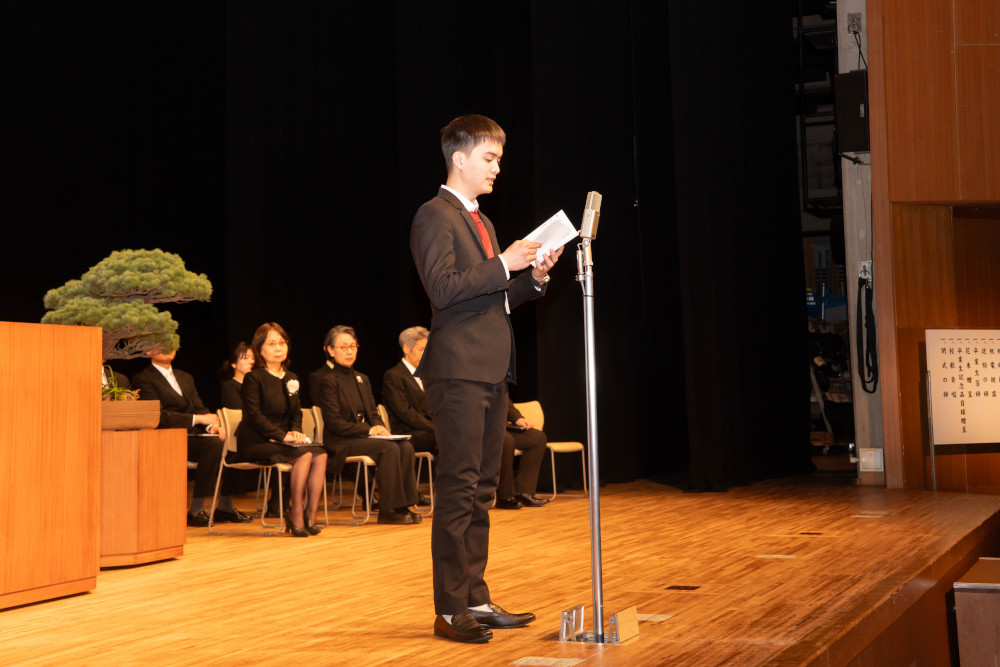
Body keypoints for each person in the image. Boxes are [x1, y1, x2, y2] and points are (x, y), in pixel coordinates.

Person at [410, 114, 563, 643]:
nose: (498, 167)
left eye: (499, 158)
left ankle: (475, 597)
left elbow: (492, 300)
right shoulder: (433, 215)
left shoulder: (484, 222)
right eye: (489, 157)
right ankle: (451, 608)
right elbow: (443, 289)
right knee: (458, 488)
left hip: (491, 369)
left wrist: (531, 277)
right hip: (457, 371)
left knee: (481, 490)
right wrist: (505, 263)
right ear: (459, 158)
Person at [132, 347, 252, 527]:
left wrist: (213, 426)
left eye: (170, 344)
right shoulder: (142, 378)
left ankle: (225, 506)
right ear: (149, 351)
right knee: (213, 446)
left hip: (192, 435)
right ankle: (196, 509)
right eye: (160, 344)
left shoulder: (185, 377)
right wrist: (199, 419)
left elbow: (199, 407)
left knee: (230, 441)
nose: (166, 348)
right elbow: (159, 416)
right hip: (166, 436)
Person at [316, 325, 422, 526]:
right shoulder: (328, 381)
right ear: (331, 350)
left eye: (353, 347)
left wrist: (381, 428)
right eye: (343, 347)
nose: (349, 351)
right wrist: (370, 430)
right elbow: (334, 422)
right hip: (341, 441)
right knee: (388, 448)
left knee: (405, 446)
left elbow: (373, 414)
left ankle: (404, 505)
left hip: (365, 438)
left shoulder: (362, 379)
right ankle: (388, 510)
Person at [238, 322, 328, 537]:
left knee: (320, 454)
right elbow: (255, 417)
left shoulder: (291, 378)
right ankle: (294, 513)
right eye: (271, 344)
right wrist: (282, 436)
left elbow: (296, 413)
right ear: (260, 349)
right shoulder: (254, 378)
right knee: (304, 455)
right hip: (256, 442)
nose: (278, 348)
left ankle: (310, 514)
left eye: (282, 343)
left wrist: (295, 432)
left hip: (283, 441)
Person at [381, 326, 437, 456]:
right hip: (408, 432)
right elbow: (405, 412)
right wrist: (435, 428)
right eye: (421, 349)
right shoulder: (393, 376)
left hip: (428, 430)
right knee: (446, 439)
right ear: (406, 349)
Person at [494, 400, 550, 509]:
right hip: (483, 428)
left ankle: (523, 492)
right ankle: (505, 497)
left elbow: (504, 401)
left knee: (538, 438)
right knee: (507, 441)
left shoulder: (498, 388)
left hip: (501, 427)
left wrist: (517, 418)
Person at [219, 342, 254, 409]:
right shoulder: (229, 387)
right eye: (245, 358)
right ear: (234, 364)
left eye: (253, 358)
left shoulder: (255, 384)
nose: (251, 362)